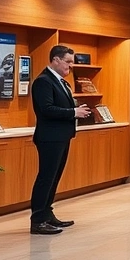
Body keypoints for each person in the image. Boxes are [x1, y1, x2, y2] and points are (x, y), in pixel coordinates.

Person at [29, 46, 91, 235]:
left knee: (54, 178)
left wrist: (76, 110)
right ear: (56, 60)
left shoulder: (62, 82)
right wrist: (74, 112)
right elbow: (47, 109)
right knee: (46, 178)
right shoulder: (43, 82)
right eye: (68, 62)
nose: (70, 66)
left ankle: (47, 214)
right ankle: (38, 220)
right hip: (49, 138)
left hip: (62, 137)